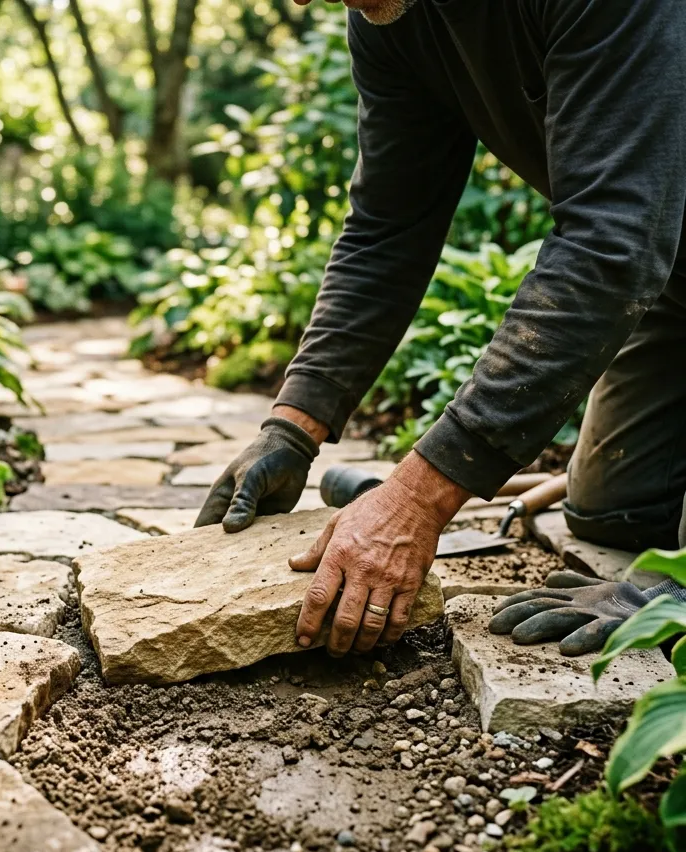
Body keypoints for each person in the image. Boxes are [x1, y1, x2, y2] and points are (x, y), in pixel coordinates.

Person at [195, 0, 686, 658]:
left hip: (650, 254)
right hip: (676, 289)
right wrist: (294, 425)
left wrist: (419, 500)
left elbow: (611, 243)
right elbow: (388, 227)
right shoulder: (388, 18)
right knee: (609, 513)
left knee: (662, 580)